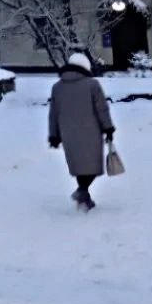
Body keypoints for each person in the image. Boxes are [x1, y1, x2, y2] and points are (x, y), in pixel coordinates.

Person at [48, 52, 115, 212]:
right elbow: (102, 109)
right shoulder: (92, 84)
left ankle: (84, 198)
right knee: (92, 166)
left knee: (80, 166)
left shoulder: (57, 87)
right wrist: (108, 128)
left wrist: (54, 135)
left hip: (68, 134)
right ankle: (82, 191)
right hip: (91, 132)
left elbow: (53, 113)